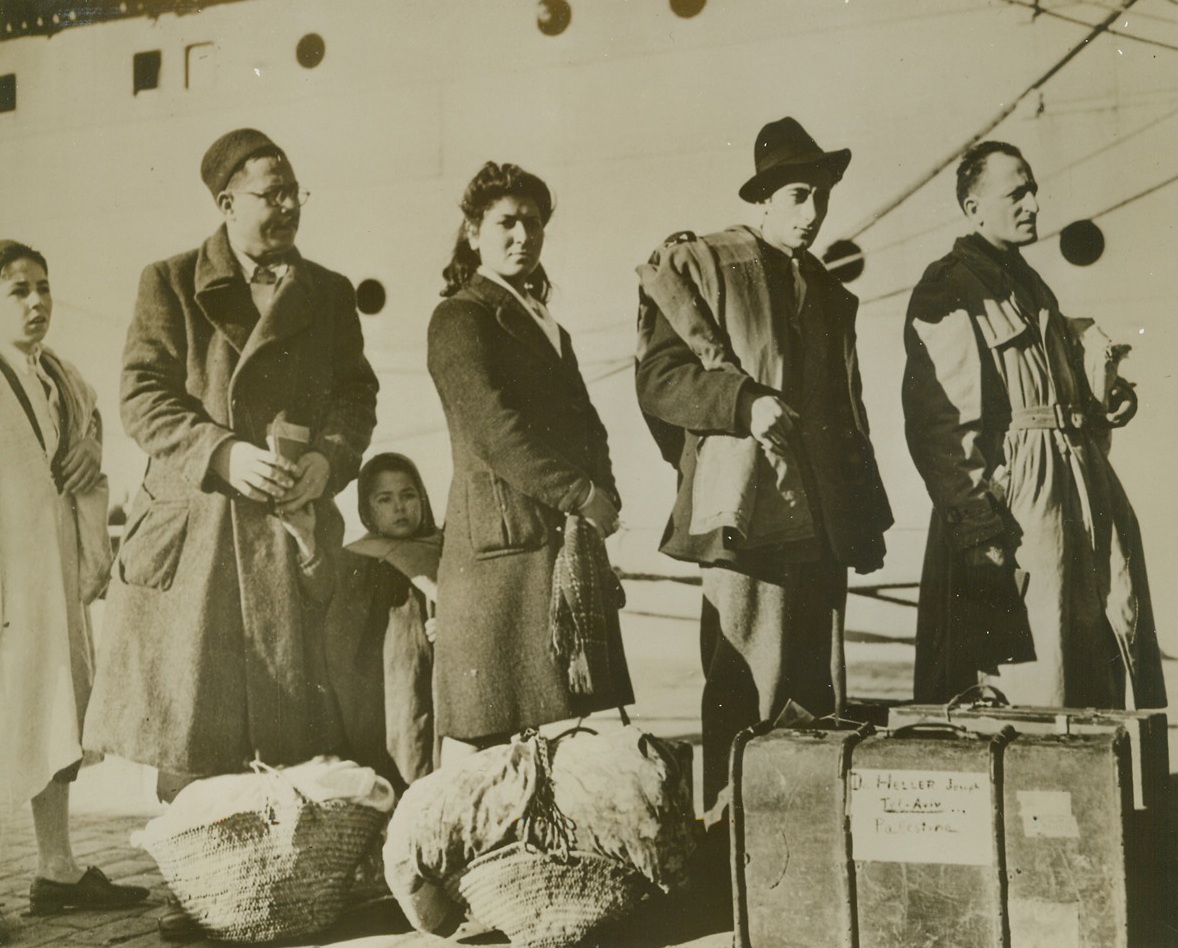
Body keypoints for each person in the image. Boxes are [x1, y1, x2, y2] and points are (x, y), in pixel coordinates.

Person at [84, 128, 380, 793]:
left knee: (291, 758)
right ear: (227, 204)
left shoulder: (329, 292)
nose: (290, 206)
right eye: (272, 194)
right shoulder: (169, 283)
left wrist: (330, 460)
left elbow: (356, 395)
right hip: (200, 541)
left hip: (289, 529)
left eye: (294, 192)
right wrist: (222, 453)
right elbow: (142, 397)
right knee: (195, 756)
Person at [635, 117, 892, 810]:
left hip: (822, 527)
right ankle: (730, 851)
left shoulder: (827, 292)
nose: (813, 213)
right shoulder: (707, 268)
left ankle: (805, 857)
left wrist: (862, 517)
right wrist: (741, 408)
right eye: (799, 197)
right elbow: (659, 383)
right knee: (744, 698)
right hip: (749, 522)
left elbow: (848, 411)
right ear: (764, 199)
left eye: (822, 197)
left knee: (818, 706)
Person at [902, 140, 1165, 709]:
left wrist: (1104, 394)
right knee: (1032, 682)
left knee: (1093, 663)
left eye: (1034, 191)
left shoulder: (1029, 286)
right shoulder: (951, 286)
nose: (1034, 204)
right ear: (974, 209)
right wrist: (978, 531)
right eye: (1016, 194)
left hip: (1077, 499)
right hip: (1019, 512)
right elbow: (941, 428)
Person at [427, 161, 633, 762]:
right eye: (507, 223)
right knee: (481, 729)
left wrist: (604, 494)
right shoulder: (460, 316)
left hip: (552, 542)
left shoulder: (547, 324)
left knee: (554, 730)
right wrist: (580, 494)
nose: (523, 236)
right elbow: (494, 430)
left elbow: (586, 423)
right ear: (473, 232)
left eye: (534, 224)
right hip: (498, 551)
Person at [0, 240, 148, 915]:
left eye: (43, 287)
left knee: (53, 711)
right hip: (9, 574)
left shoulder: (57, 374)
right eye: (18, 290)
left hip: (49, 571)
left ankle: (56, 869)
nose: (37, 302)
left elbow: (87, 427)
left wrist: (89, 449)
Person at [323, 452, 442, 792]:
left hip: (442, 680)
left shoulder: (444, 549)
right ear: (367, 509)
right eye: (384, 499)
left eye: (408, 495)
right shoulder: (357, 561)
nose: (399, 507)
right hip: (390, 687)